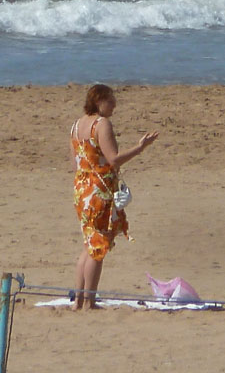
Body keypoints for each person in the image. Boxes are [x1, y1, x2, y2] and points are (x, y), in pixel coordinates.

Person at [69, 84, 158, 310]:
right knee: (98, 246)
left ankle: (78, 300)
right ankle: (89, 301)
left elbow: (76, 163)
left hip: (82, 189)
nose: (114, 104)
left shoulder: (76, 125)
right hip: (99, 190)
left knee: (88, 244)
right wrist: (140, 148)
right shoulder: (101, 124)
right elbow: (114, 159)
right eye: (110, 100)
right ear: (99, 101)